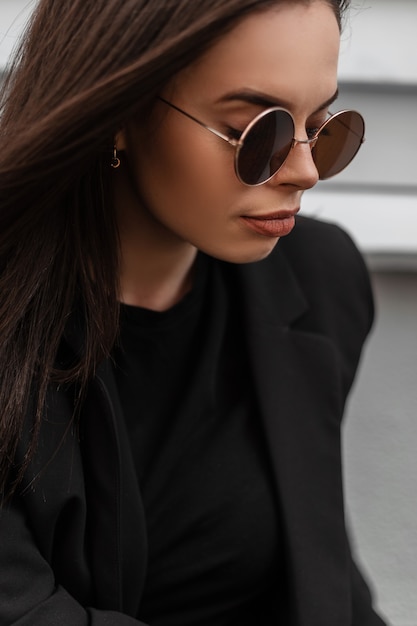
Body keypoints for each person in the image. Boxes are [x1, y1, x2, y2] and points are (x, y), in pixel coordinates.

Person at [0, 0, 388, 624]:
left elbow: (322, 574)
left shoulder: (319, 282)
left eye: (321, 125)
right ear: (118, 112)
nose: (306, 171)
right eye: (258, 132)